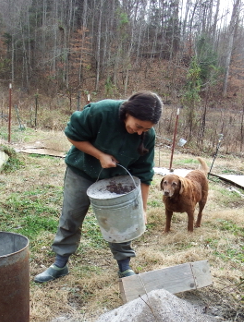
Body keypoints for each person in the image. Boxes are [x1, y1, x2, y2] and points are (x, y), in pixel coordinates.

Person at [34, 91, 163, 283]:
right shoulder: (101, 111)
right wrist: (99, 155)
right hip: (82, 171)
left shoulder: (147, 135)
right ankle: (60, 264)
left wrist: (143, 208)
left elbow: (144, 173)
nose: (139, 133)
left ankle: (124, 267)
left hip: (117, 180)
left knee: (121, 222)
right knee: (71, 216)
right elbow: (72, 134)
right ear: (128, 112)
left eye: (145, 129)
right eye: (138, 126)